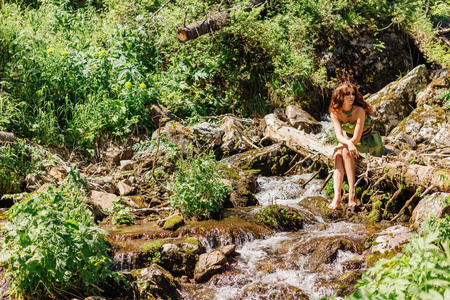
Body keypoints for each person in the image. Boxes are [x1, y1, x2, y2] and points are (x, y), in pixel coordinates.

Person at [327, 80, 386, 210]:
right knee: (338, 156)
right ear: (340, 96)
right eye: (347, 94)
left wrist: (342, 146)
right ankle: (337, 196)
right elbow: (339, 135)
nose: (351, 96)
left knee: (345, 152)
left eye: (353, 94)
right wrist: (343, 145)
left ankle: (352, 194)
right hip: (349, 141)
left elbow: (357, 137)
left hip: (367, 140)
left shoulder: (359, 110)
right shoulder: (335, 112)